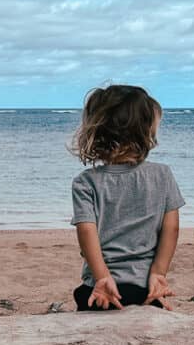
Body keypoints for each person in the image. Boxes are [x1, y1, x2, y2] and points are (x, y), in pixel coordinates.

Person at [70, 85, 184, 311]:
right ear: (146, 132)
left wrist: (102, 277)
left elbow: (86, 231)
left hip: (103, 290)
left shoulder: (86, 182)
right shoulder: (162, 174)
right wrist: (159, 273)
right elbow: (171, 229)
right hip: (146, 289)